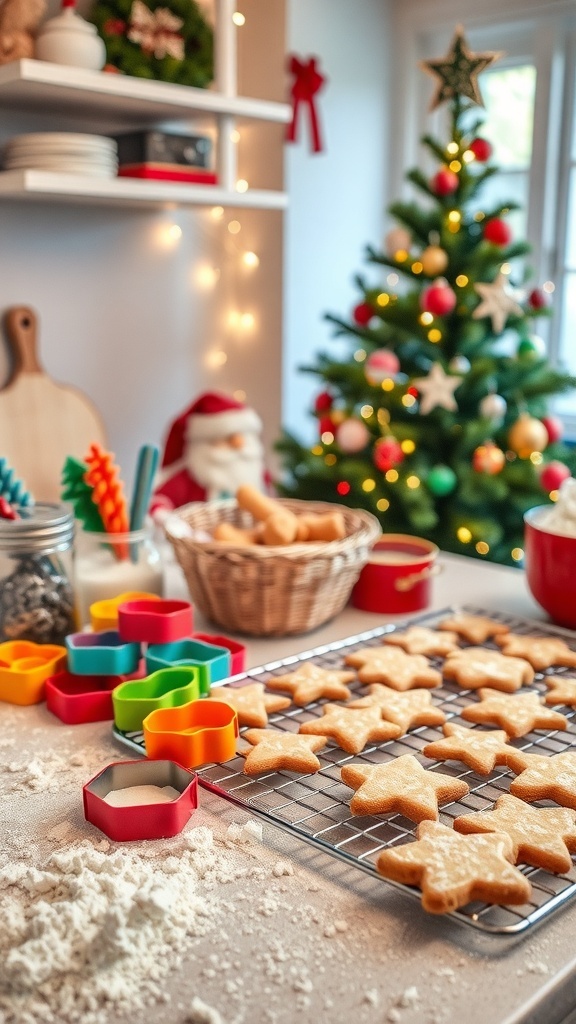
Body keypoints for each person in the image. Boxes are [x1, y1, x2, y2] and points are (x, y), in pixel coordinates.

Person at [150, 391, 267, 518]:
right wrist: (166, 519)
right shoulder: (191, 479)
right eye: (229, 438)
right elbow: (159, 501)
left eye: (243, 436)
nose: (239, 444)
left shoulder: (257, 472)